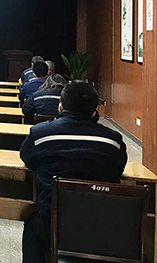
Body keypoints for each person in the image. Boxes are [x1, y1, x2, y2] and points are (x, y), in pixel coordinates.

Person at [20, 80, 127, 262]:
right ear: (95, 111)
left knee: (32, 225)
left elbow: (28, 160)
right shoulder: (114, 141)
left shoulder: (41, 134)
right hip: (104, 225)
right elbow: (118, 170)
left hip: (54, 224)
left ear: (60, 106)